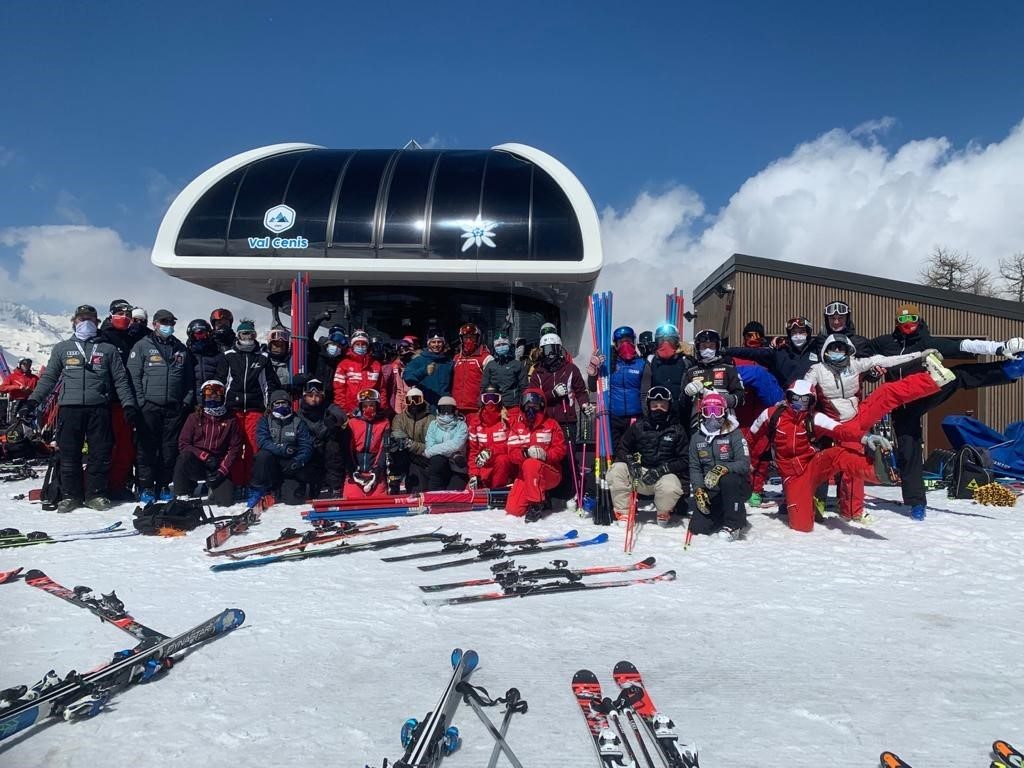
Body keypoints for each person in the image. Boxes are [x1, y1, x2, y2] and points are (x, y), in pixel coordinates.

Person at [749, 356, 956, 530]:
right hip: (796, 472)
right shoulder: (810, 378)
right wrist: (746, 466)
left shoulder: (851, 368)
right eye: (795, 400)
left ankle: (877, 471)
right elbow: (751, 439)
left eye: (804, 401)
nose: (799, 405)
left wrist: (919, 355)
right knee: (802, 527)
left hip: (850, 423)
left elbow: (882, 361)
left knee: (847, 449)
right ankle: (815, 503)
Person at [867, 303, 1024, 518]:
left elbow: (964, 346)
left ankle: (1009, 370)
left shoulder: (927, 342)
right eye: (903, 320)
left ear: (919, 320)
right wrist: (871, 370)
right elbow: (859, 352)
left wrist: (999, 347)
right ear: (897, 323)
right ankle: (916, 503)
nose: (908, 324)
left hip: (925, 392)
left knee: (958, 376)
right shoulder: (885, 343)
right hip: (902, 407)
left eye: (912, 319)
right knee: (908, 449)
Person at [19, 304, 138, 513]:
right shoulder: (62, 348)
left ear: (97, 323)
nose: (86, 323)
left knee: (100, 454)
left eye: (90, 319)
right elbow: (48, 379)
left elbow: (121, 380)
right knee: (69, 453)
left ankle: (95, 494)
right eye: (82, 319)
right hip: (69, 409)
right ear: (74, 322)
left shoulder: (107, 349)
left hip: (99, 408)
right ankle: (70, 496)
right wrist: (33, 402)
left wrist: (128, 404)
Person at [127, 309, 195, 504]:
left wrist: (186, 402)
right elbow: (133, 377)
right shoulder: (142, 346)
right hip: (149, 406)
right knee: (146, 448)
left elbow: (189, 380)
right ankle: (146, 486)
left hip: (174, 408)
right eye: (164, 322)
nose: (168, 326)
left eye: (171, 322)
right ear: (155, 324)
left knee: (169, 449)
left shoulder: (180, 349)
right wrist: (140, 402)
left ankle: (164, 484)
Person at [608, 386, 689, 527]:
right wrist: (631, 462)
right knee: (617, 469)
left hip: (663, 475)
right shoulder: (638, 426)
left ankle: (663, 511)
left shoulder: (677, 429)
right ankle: (624, 512)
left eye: (663, 406)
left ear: (669, 407)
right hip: (640, 474)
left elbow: (685, 459)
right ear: (648, 406)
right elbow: (622, 448)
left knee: (671, 486)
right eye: (654, 405)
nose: (659, 409)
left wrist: (662, 470)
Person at [529, 332, 590, 503]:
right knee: (548, 456)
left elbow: (580, 390)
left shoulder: (570, 369)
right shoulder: (538, 373)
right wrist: (552, 394)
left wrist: (584, 404)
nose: (549, 354)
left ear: (559, 349)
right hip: (546, 421)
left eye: (552, 349)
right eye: (545, 350)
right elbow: (533, 396)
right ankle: (550, 492)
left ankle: (572, 491)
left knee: (569, 455)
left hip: (566, 420)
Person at [224, 320, 282, 488]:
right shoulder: (229, 355)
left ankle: (252, 482)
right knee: (233, 446)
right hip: (233, 408)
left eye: (250, 334)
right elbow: (223, 381)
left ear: (255, 335)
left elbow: (269, 383)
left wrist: (268, 406)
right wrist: (223, 406)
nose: (247, 337)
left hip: (255, 407)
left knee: (253, 446)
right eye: (244, 334)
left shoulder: (263, 357)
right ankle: (236, 482)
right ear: (238, 335)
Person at [686, 391, 751, 540]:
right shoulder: (697, 438)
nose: (713, 416)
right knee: (698, 528)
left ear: (724, 413)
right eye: (708, 412)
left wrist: (725, 468)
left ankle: (733, 524)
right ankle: (724, 512)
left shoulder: (734, 434)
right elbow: (695, 467)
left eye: (717, 411)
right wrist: (698, 490)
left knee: (728, 480)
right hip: (711, 488)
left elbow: (744, 463)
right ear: (702, 413)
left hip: (736, 485)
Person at [172, 380, 242, 506]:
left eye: (217, 394)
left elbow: (234, 448)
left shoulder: (230, 420)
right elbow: (184, 443)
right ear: (203, 396)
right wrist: (204, 456)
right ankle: (183, 492)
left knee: (226, 501)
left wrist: (222, 471)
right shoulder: (194, 417)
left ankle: (213, 487)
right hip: (198, 462)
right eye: (209, 394)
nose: (213, 397)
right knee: (184, 457)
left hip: (217, 465)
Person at [98, 298, 141, 499]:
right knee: (107, 446)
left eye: (128, 314)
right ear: (111, 314)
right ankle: (100, 486)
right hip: (108, 401)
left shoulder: (133, 337)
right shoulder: (101, 337)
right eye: (120, 313)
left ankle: (118, 484)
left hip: (129, 401)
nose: (124, 317)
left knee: (126, 446)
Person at [505, 388, 567, 521]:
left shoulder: (551, 425)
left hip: (550, 472)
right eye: (527, 405)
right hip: (526, 474)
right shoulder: (517, 427)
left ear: (542, 405)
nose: (531, 408)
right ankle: (541, 497)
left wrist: (545, 455)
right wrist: (525, 453)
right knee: (513, 510)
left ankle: (536, 504)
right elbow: (512, 453)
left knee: (531, 463)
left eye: (535, 405)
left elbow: (561, 449)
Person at [250, 389, 314, 505]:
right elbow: (263, 441)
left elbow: (306, 446)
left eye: (283, 403)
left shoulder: (298, 422)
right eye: (277, 403)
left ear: (289, 404)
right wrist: (283, 449)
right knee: (262, 456)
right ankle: (258, 490)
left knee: (293, 500)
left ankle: (284, 487)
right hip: (272, 463)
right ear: (272, 406)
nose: (280, 406)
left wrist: (297, 461)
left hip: (289, 465)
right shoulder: (265, 421)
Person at [589, 325, 646, 447]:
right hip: (615, 417)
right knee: (617, 450)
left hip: (635, 416)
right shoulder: (609, 364)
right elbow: (594, 387)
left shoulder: (641, 364)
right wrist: (593, 370)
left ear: (634, 342)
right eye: (621, 342)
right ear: (615, 345)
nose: (625, 345)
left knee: (634, 451)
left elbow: (646, 390)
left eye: (629, 341)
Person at [680, 329, 745, 433]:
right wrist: (687, 393)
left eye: (711, 346)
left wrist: (721, 399)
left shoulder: (728, 368)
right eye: (704, 346)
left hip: (725, 424)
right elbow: (683, 405)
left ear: (717, 347)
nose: (707, 350)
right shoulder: (691, 371)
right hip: (698, 425)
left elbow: (741, 397)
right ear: (698, 348)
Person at [725, 316, 819, 387]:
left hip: (812, 399)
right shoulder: (780, 352)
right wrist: (725, 351)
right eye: (794, 332)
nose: (798, 336)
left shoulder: (818, 350)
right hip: (786, 400)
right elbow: (752, 352)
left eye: (802, 332)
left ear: (808, 333)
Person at [295, 378, 345, 498]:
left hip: (327, 453)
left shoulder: (328, 407)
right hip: (309, 453)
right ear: (304, 396)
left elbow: (342, 416)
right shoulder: (299, 414)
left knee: (333, 446)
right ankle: (306, 485)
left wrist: (334, 421)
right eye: (310, 395)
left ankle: (334, 486)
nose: (313, 399)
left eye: (317, 395)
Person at [340, 388, 391, 499]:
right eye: (365, 406)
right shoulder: (352, 423)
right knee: (352, 501)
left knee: (379, 502)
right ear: (360, 407)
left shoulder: (384, 423)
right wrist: (353, 471)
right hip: (356, 473)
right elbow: (347, 450)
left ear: (377, 406)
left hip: (375, 473)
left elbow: (384, 449)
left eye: (372, 405)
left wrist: (377, 472)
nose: (368, 408)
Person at [467, 387, 516, 490]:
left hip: (506, 469)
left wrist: (491, 451)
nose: (490, 402)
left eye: (494, 398)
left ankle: (497, 491)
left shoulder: (507, 420)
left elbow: (513, 447)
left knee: (502, 460)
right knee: (469, 493)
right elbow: (473, 452)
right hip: (484, 469)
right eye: (487, 398)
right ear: (482, 400)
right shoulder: (476, 423)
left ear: (500, 400)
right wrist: (474, 474)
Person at [639, 323, 693, 411]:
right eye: (661, 340)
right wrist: (647, 413)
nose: (666, 343)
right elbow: (645, 391)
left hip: (680, 413)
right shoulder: (651, 361)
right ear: (657, 342)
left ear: (676, 342)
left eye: (670, 340)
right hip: (658, 412)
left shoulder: (685, 361)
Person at [389, 387, 434, 492]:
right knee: (396, 448)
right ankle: (394, 483)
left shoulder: (431, 419)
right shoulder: (400, 418)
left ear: (422, 400)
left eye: (417, 400)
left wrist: (409, 444)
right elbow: (397, 435)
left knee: (418, 489)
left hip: (423, 459)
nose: (413, 403)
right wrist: (406, 443)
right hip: (405, 457)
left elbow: (431, 446)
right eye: (409, 400)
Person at [332, 329, 385, 415]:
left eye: (363, 344)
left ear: (367, 346)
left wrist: (381, 407)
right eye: (357, 344)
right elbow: (339, 390)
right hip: (350, 412)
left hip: (371, 411)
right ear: (353, 346)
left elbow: (382, 389)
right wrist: (343, 411)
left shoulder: (376, 365)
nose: (360, 346)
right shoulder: (344, 365)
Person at [423, 395, 469, 490]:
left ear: (455, 411)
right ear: (437, 411)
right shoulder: (433, 425)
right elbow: (429, 445)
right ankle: (434, 495)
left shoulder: (462, 425)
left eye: (449, 409)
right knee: (437, 460)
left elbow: (456, 445)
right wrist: (453, 454)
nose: (446, 413)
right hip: (441, 466)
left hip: (457, 467)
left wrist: (430, 451)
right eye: (443, 410)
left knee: (454, 493)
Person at [480, 331, 527, 421]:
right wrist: (481, 406)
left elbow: (524, 387)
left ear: (508, 345)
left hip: (513, 406)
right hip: (494, 405)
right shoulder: (490, 365)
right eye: (498, 345)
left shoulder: (517, 364)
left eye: (503, 344)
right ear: (494, 347)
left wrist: (523, 407)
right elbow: (483, 387)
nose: (501, 347)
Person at [403, 328, 454, 408]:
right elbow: (408, 378)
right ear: (428, 344)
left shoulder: (448, 362)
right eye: (433, 342)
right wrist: (424, 371)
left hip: (444, 408)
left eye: (439, 342)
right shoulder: (419, 360)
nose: (436, 345)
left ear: (443, 343)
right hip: (426, 409)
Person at [451, 323, 493, 415]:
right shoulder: (456, 358)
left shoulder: (486, 358)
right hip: (456, 408)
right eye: (466, 338)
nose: (469, 341)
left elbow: (492, 383)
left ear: (478, 339)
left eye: (472, 338)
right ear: (461, 339)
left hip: (476, 408)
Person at [186, 319, 228, 402]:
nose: (201, 338)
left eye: (204, 334)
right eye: (197, 335)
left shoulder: (218, 355)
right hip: (192, 402)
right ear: (191, 336)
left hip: (213, 400)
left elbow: (222, 377)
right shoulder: (188, 355)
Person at [389, 337, 416, 415]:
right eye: (401, 350)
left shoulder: (416, 363)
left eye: (406, 349)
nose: (404, 352)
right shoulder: (396, 366)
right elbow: (398, 390)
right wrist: (398, 411)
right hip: (401, 400)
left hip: (415, 399)